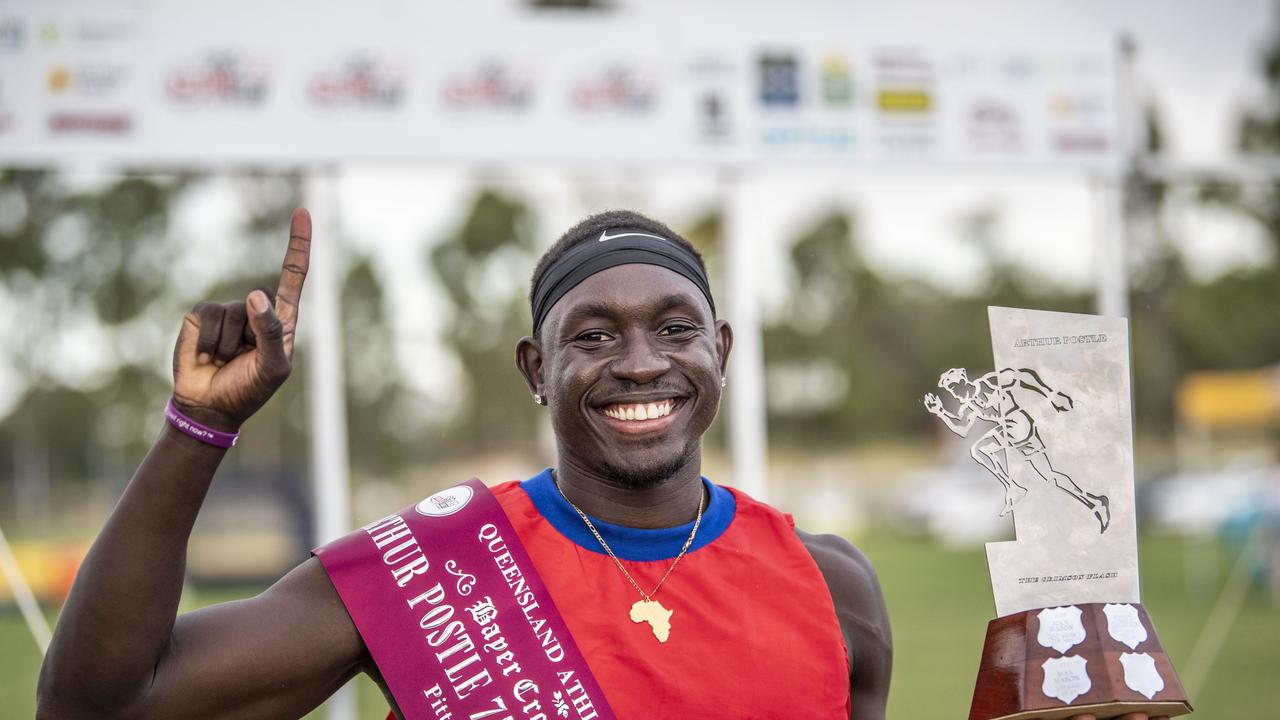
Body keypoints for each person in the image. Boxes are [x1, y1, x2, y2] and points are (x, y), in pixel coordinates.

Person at [34, 209, 1162, 720]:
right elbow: (101, 706)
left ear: (719, 352)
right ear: (536, 366)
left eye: (675, 328)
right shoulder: (432, 572)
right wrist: (199, 430)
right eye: (591, 335)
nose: (639, 364)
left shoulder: (834, 591)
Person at [924, 366, 1111, 533]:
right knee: (983, 451)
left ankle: (1016, 488)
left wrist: (1051, 394)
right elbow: (962, 429)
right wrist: (940, 412)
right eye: (951, 391)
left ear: (963, 381)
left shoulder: (989, 382)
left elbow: (1023, 376)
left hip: (1019, 425)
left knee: (1045, 475)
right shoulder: (969, 405)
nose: (955, 394)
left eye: (955, 388)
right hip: (1007, 430)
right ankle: (1092, 502)